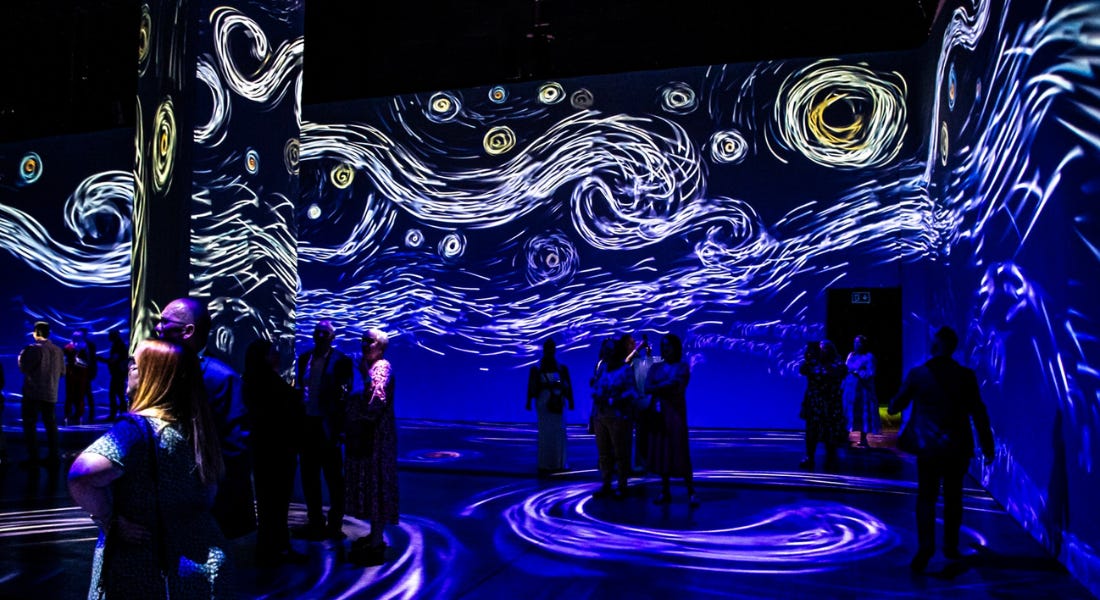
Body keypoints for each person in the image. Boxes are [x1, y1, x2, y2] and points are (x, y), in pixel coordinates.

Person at [68, 339, 234, 598]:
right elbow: (208, 495)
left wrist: (108, 519)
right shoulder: (199, 426)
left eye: (134, 365)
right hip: (202, 562)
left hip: (147, 566)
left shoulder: (135, 430)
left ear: (153, 377)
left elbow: (82, 475)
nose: (129, 369)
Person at [888, 326, 995, 573]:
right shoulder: (966, 376)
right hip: (957, 447)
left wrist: (895, 403)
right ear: (953, 348)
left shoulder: (918, 374)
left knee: (926, 497)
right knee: (953, 497)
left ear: (935, 346)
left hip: (928, 447)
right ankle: (950, 546)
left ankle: (926, 548)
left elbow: (896, 406)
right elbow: (979, 413)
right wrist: (987, 444)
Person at [156, 297, 255, 539]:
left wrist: (206, 493)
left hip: (208, 506)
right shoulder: (160, 370)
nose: (158, 327)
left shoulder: (222, 378)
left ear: (188, 331)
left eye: (164, 321)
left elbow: (236, 449)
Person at [243, 339, 307, 566]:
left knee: (266, 500)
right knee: (277, 502)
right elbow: (287, 415)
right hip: (279, 451)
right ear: (264, 357)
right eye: (273, 353)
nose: (278, 357)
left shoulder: (250, 382)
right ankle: (278, 547)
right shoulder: (271, 384)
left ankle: (268, 545)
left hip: (262, 451)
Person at [295, 320, 354, 541]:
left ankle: (335, 524)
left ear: (332, 337)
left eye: (324, 333)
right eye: (317, 332)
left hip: (327, 426)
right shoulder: (304, 359)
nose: (319, 336)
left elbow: (343, 397)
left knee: (333, 478)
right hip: (308, 424)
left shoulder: (341, 362)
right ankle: (315, 522)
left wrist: (340, 430)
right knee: (309, 476)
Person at [345, 329, 398, 566]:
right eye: (363, 340)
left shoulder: (381, 367)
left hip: (376, 437)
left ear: (381, 347)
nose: (365, 344)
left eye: (371, 341)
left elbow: (377, 400)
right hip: (368, 436)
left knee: (377, 484)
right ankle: (374, 535)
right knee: (371, 484)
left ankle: (376, 540)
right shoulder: (368, 367)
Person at [644, 333, 697, 506]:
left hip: (675, 414)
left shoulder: (682, 367)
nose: (665, 349)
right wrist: (662, 387)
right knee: (662, 450)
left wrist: (658, 387)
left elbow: (675, 385)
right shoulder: (655, 368)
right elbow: (647, 387)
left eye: (668, 345)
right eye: (663, 345)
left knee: (680, 449)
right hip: (659, 414)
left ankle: (691, 491)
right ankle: (664, 490)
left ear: (676, 347)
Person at [590, 333, 639, 499]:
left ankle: (622, 485)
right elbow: (597, 387)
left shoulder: (625, 369)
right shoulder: (602, 368)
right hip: (601, 415)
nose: (607, 353)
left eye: (610, 350)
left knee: (620, 452)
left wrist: (616, 398)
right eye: (605, 350)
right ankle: (606, 484)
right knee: (604, 453)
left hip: (618, 416)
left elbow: (632, 391)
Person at [19, 321, 66, 466]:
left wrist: (21, 357)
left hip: (33, 393)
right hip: (51, 393)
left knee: (30, 424)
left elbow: (25, 368)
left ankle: (33, 457)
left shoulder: (34, 349)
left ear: (37, 332)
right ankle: (54, 455)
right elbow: (62, 372)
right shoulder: (58, 350)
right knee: (51, 425)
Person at [526, 338, 574, 474]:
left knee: (555, 432)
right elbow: (531, 386)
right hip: (549, 401)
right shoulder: (541, 367)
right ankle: (553, 463)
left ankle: (552, 463)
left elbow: (567, 385)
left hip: (554, 401)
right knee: (549, 432)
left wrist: (570, 401)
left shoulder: (557, 367)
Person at [798, 340, 846, 471]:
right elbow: (803, 369)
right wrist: (810, 356)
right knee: (811, 431)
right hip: (814, 403)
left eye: (823, 349)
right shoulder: (813, 364)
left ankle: (831, 458)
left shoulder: (837, 365)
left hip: (830, 404)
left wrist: (824, 365)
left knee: (830, 432)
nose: (821, 351)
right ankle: (809, 457)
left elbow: (839, 373)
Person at [843, 335, 881, 447]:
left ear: (864, 344)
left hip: (863, 390)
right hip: (850, 390)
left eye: (859, 343)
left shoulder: (869, 357)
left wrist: (857, 372)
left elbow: (871, 373)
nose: (856, 345)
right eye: (855, 342)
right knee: (848, 413)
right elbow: (846, 369)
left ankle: (863, 439)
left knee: (863, 413)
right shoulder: (850, 355)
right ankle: (846, 437)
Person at [63, 328, 95, 425]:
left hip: (82, 372)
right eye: (75, 336)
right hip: (72, 372)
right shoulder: (69, 346)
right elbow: (64, 358)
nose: (76, 338)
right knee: (71, 394)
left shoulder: (86, 347)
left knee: (80, 394)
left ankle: (78, 414)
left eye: (78, 336)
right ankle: (69, 414)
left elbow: (89, 361)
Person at [103, 329, 129, 421]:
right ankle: (123, 413)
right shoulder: (119, 344)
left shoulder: (118, 345)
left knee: (115, 394)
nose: (108, 337)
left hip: (118, 373)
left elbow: (114, 360)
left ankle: (117, 414)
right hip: (119, 373)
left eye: (110, 335)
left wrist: (100, 359)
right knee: (119, 394)